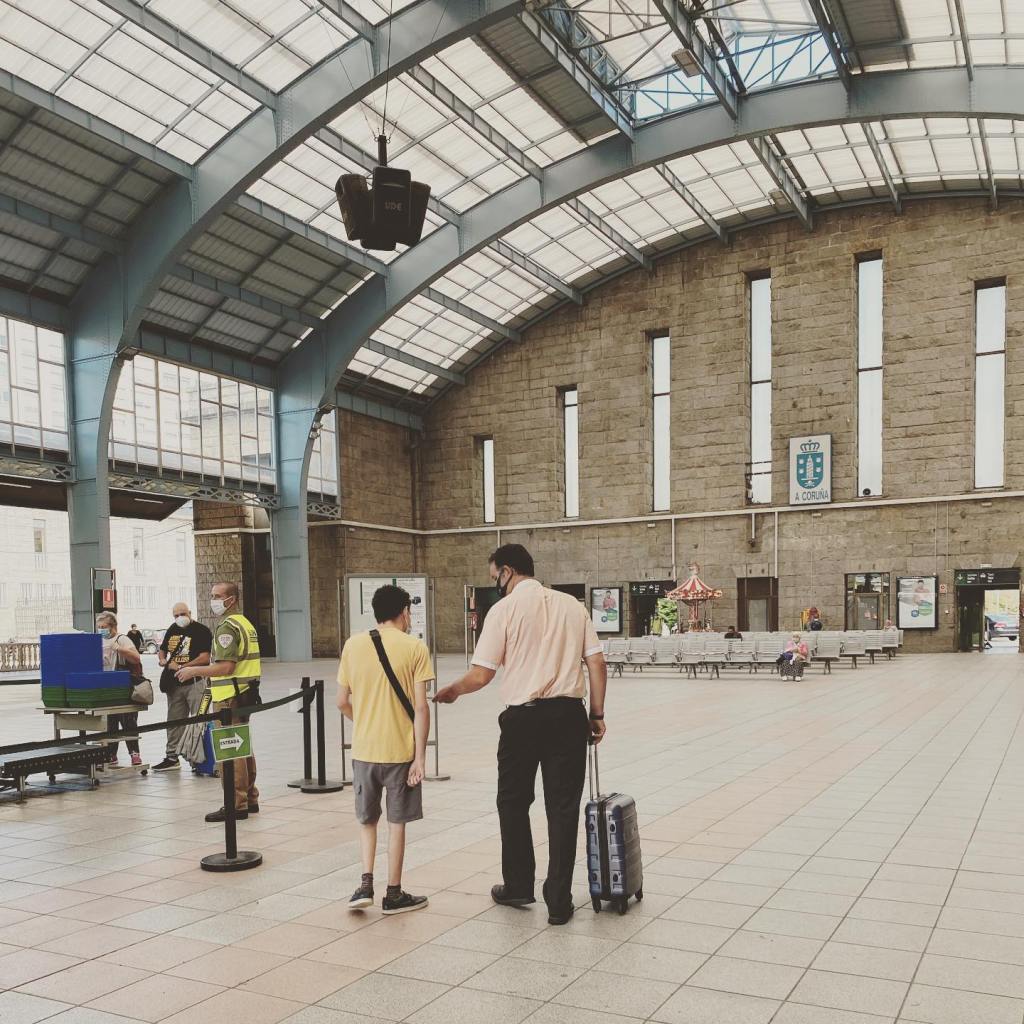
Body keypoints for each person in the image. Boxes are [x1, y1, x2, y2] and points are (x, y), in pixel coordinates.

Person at [435, 544, 608, 926]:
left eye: (495, 575)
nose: (495, 583)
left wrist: (453, 691)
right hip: (568, 716)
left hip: (522, 720)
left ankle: (517, 885)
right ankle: (558, 900)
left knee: (513, 802)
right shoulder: (572, 606)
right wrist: (596, 714)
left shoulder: (504, 610)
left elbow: (482, 674)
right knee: (562, 808)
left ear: (509, 571)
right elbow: (597, 662)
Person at [337, 585, 432, 915]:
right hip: (400, 753)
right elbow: (421, 708)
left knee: (367, 821)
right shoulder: (415, 648)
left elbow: (342, 702)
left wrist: (365, 722)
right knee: (397, 823)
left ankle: (365, 884)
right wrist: (420, 757)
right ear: (405, 611)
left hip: (364, 750)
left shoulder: (353, 646)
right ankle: (393, 893)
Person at [175, 582, 260, 822]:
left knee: (230, 750)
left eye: (217, 596)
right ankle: (250, 798)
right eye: (212, 595)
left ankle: (236, 803)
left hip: (228, 697)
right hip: (245, 692)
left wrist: (194, 671)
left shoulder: (227, 627)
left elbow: (226, 666)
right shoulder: (245, 623)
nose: (213, 600)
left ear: (231, 599)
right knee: (243, 745)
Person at [153, 603, 212, 772]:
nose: (180, 617)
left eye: (183, 613)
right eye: (176, 615)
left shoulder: (201, 630)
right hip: (175, 684)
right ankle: (172, 757)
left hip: (195, 683)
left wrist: (184, 667)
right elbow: (163, 650)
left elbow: (205, 658)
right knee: (174, 722)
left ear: (190, 613)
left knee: (200, 721)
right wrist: (163, 660)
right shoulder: (173, 628)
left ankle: (200, 760)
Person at [96, 612, 143, 767]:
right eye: (99, 627)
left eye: (104, 627)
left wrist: (120, 649)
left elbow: (136, 658)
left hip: (124, 686)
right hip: (106, 686)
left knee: (128, 721)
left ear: (113, 626)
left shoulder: (122, 639)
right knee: (110, 722)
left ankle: (134, 753)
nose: (102, 630)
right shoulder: (99, 641)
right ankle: (111, 754)